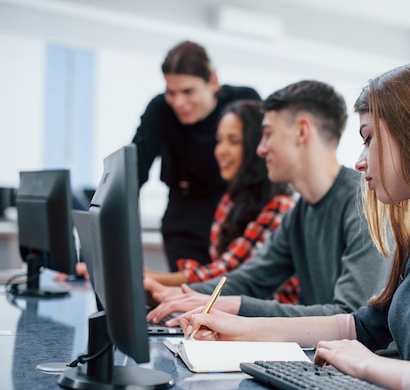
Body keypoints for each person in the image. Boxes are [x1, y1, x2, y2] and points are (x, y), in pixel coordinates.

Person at [174, 64, 410, 390]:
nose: (359, 161)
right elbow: (360, 326)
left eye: (369, 138)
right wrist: (243, 329)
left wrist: (364, 364)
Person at [145, 80, 391, 323]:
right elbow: (251, 279)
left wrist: (237, 306)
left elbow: (352, 316)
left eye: (268, 134)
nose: (260, 149)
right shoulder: (299, 214)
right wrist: (177, 294)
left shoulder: (365, 201)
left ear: (302, 132)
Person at [143, 100, 298, 304]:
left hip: (270, 319)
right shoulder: (229, 201)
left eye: (233, 141)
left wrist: (149, 279)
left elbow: (230, 273)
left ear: (256, 147)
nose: (221, 151)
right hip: (234, 310)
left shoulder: (280, 206)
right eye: (219, 141)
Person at [133, 40, 262, 271]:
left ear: (212, 81)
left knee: (228, 291)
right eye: (171, 92)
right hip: (184, 217)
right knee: (189, 293)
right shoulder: (160, 109)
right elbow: (132, 174)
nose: (178, 102)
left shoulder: (243, 102)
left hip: (235, 214)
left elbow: (263, 164)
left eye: (188, 91)